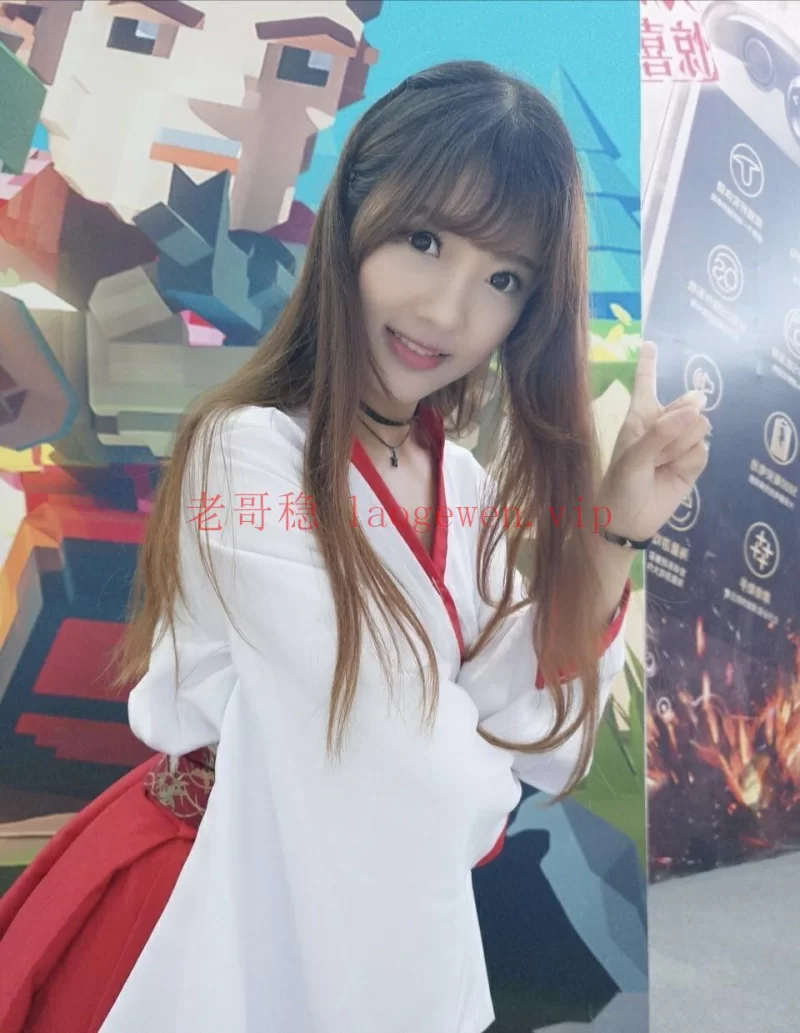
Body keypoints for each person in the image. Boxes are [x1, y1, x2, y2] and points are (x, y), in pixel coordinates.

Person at [0, 60, 709, 1033]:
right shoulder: (246, 453)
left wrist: (616, 528)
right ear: (352, 217)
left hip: (359, 902)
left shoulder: (460, 481)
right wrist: (471, 761)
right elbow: (378, 752)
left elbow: (527, 716)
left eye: (502, 278)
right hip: (210, 898)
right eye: (424, 240)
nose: (446, 310)